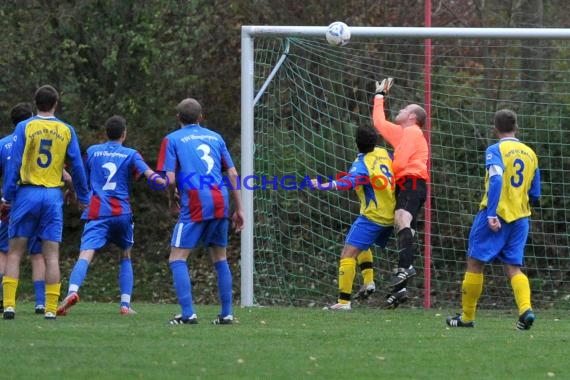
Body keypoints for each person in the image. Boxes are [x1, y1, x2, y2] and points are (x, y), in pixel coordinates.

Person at [57, 115, 166, 316]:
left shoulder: (92, 151)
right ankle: (125, 305)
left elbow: (81, 177)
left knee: (86, 254)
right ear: (124, 134)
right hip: (122, 213)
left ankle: (72, 292)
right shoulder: (131, 154)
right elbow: (151, 175)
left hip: (98, 211)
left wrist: (73, 191)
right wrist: (163, 182)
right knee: (125, 254)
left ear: (105, 133)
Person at [1, 85, 90, 320]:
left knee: (15, 252)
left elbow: (15, 164)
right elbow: (77, 167)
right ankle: (50, 309)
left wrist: (7, 196)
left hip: (27, 193)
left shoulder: (25, 127)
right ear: (56, 103)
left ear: (35, 102)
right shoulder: (66, 129)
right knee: (51, 254)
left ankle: (9, 306)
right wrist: (83, 196)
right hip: (52, 196)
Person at [446, 109, 540, 330]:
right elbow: (535, 193)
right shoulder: (530, 153)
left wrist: (491, 213)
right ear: (516, 127)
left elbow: (496, 178)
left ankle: (467, 318)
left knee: (475, 262)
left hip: (496, 214)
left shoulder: (495, 149)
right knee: (514, 268)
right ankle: (525, 310)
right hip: (521, 218)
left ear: (494, 128)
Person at [156, 98, 244, 325]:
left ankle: (188, 314)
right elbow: (233, 174)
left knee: (177, 257)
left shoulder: (172, 139)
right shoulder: (216, 137)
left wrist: (172, 199)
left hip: (195, 201)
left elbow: (170, 178)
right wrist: (240, 208)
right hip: (220, 200)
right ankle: (226, 314)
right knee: (220, 258)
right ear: (201, 117)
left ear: (178, 118)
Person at [311, 125, 396, 310]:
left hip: (374, 216)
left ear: (356, 143)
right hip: (392, 214)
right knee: (361, 245)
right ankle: (369, 281)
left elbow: (349, 182)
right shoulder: (385, 153)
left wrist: (323, 185)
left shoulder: (362, 164)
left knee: (347, 254)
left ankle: (343, 302)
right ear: (376, 141)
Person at [372, 78, 429, 307]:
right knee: (404, 228)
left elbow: (401, 160)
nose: (401, 110)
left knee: (402, 219)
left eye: (405, 109)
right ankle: (400, 290)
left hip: (413, 182)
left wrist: (385, 174)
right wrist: (379, 96)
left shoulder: (413, 132)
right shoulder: (403, 133)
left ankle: (406, 269)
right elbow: (379, 122)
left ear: (412, 117)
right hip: (407, 184)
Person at [0, 102, 47, 315]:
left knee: (6, 252)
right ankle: (40, 302)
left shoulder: (3, 144)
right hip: (36, 199)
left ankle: (6, 301)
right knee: (37, 254)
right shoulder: (37, 141)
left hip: (10, 203)